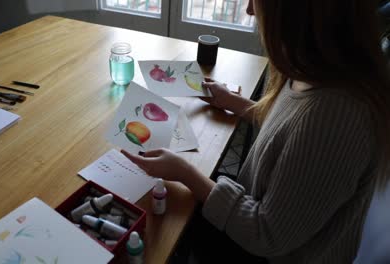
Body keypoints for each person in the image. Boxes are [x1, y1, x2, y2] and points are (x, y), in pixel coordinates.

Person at [123, 0, 390, 263]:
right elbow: (290, 132)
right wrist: (236, 103)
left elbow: (267, 235)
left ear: (295, 14)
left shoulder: (337, 115)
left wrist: (185, 172)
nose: (250, 9)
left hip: (268, 250)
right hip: (255, 210)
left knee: (158, 227)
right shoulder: (310, 70)